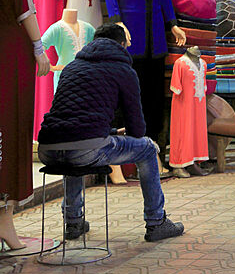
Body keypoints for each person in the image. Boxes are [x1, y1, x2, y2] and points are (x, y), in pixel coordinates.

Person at [37, 23, 184, 242]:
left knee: (73, 144)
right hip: (86, 148)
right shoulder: (123, 70)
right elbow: (137, 130)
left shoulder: (71, 68)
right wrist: (121, 133)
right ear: (122, 45)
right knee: (147, 148)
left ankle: (73, 221)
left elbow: (73, 119)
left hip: (47, 149)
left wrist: (112, 131)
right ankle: (156, 222)